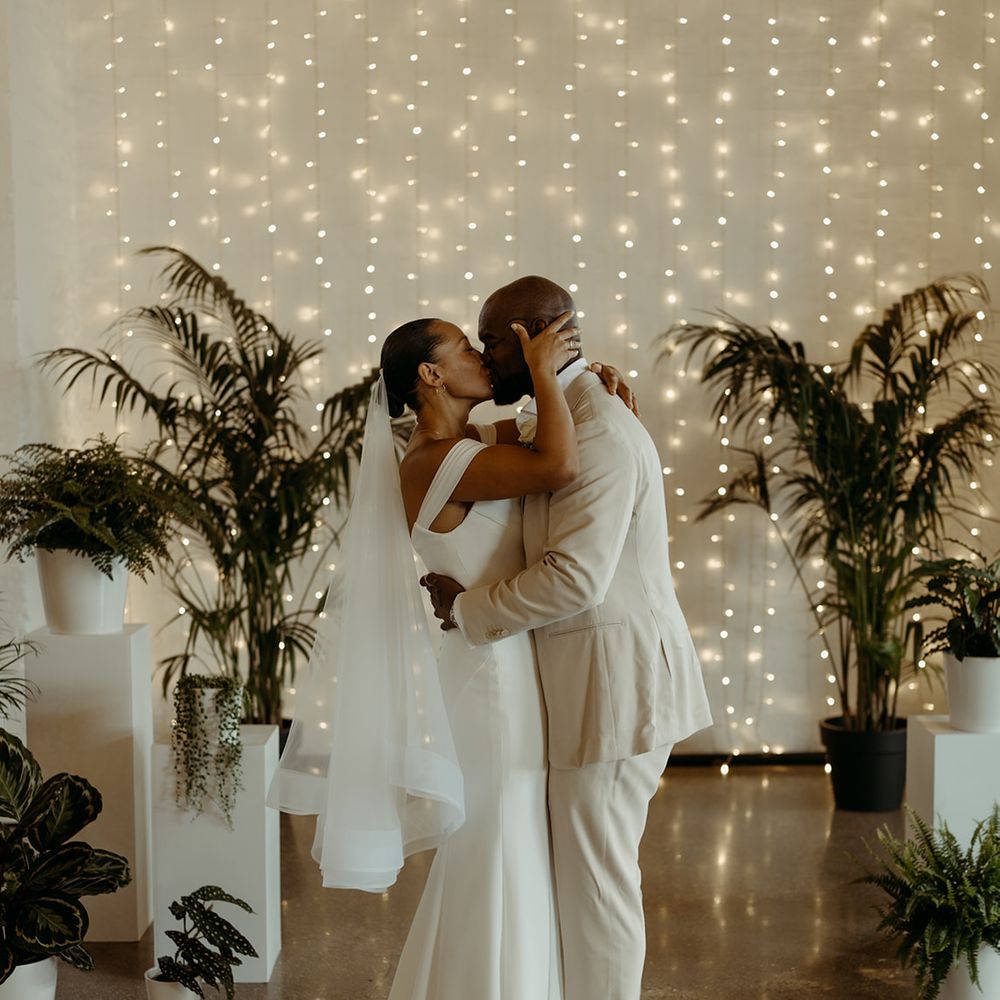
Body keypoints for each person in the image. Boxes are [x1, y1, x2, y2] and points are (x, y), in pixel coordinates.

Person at [270, 303, 638, 1000]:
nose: (482, 357)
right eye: (466, 349)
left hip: (499, 663)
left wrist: (589, 382)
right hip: (494, 682)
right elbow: (557, 463)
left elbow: (528, 431)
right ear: (431, 374)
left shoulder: (465, 444)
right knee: (501, 837)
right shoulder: (442, 461)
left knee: (508, 838)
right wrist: (544, 372)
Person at [422, 275, 713, 1000]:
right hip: (593, 685)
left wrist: (468, 611)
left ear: (532, 338)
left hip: (617, 687)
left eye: (491, 340)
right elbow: (452, 445)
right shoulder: (567, 413)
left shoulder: (601, 429)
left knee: (599, 884)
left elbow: (574, 578)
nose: (486, 358)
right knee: (587, 876)